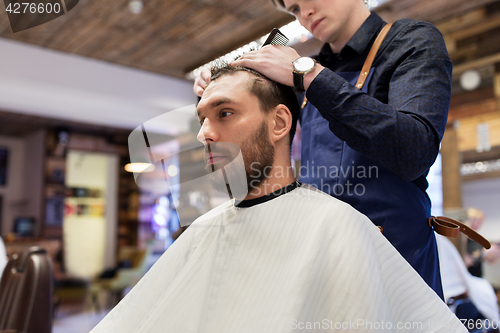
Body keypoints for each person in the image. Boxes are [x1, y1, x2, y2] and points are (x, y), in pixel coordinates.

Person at [91, 65, 465, 333]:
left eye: (224, 113)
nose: (204, 133)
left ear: (280, 123)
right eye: (201, 118)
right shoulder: (203, 229)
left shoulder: (336, 227)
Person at [194, 0, 452, 298]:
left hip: (394, 261)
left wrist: (310, 76)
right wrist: (216, 97)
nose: (304, 15)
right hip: (321, 254)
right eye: (293, 10)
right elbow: (250, 141)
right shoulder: (302, 72)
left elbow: (413, 152)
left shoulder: (411, 42)